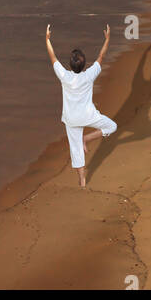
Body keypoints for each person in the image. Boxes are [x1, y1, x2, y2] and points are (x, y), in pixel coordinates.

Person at [45, 23, 116, 189]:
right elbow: (101, 57)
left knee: (76, 151)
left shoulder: (65, 76)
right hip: (88, 116)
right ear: (84, 65)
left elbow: (53, 57)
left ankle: (82, 181)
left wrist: (47, 39)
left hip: (71, 119)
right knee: (112, 126)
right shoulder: (89, 75)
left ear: (70, 65)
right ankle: (88, 138)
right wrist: (107, 40)